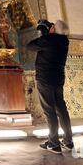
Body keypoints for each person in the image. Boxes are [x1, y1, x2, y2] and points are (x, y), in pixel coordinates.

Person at [27, 19, 74, 154]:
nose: (50, 28)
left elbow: (30, 46)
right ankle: (68, 141)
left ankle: (54, 143)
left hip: (45, 78)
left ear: (54, 30)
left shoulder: (48, 40)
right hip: (58, 79)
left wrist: (43, 32)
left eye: (52, 26)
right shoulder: (65, 41)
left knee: (49, 110)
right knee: (61, 109)